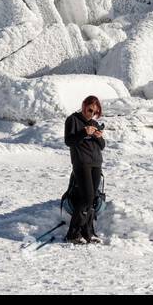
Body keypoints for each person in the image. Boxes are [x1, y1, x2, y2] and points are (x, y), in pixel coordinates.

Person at [63, 95, 105, 245]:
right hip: (81, 163)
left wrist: (98, 137)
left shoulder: (93, 123)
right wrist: (84, 132)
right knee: (87, 197)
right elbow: (69, 141)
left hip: (96, 163)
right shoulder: (72, 120)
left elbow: (102, 146)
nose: (91, 114)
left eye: (95, 112)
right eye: (90, 110)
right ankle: (73, 233)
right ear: (83, 106)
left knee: (92, 199)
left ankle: (88, 232)